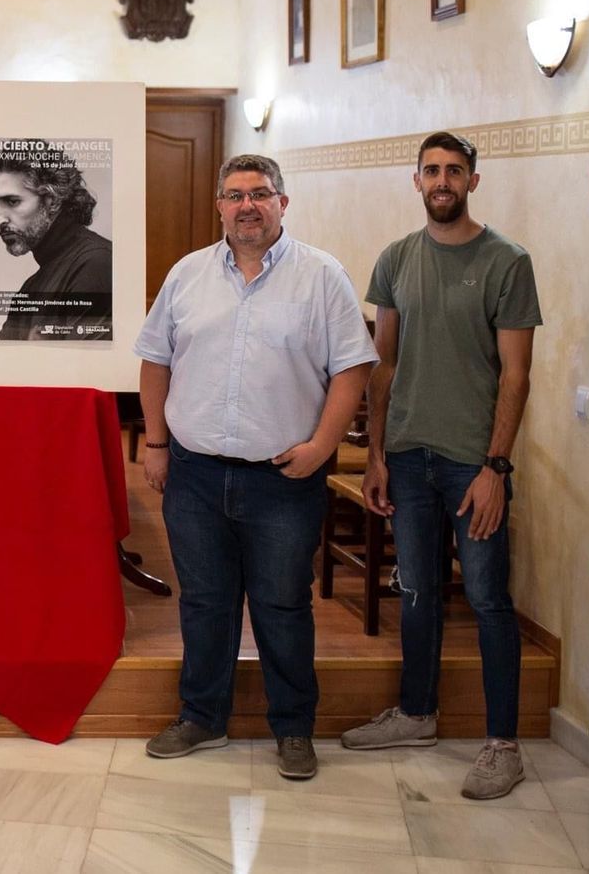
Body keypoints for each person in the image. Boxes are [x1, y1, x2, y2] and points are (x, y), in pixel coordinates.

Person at [135, 154, 377, 781]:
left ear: (283, 203)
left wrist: (323, 447)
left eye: (261, 194)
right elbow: (155, 361)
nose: (248, 205)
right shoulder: (187, 275)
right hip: (193, 473)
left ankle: (294, 728)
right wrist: (155, 442)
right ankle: (202, 717)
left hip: (284, 478)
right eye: (236, 195)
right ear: (218, 205)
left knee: (282, 604)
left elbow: (353, 369)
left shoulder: (323, 277)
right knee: (206, 602)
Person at [340, 132, 541, 801]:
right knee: (419, 591)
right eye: (432, 170)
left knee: (486, 599)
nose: (442, 180)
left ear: (473, 182)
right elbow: (384, 362)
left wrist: (496, 467)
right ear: (417, 180)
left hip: (470, 464)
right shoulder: (396, 258)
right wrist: (375, 454)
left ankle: (502, 745)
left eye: (455, 170)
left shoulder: (508, 261)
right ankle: (417, 715)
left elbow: (516, 376)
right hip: (407, 457)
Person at [0, 143, 113, 340]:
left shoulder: (96, 263)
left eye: (12, 201)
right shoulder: (31, 287)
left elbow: (84, 365)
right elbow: (0, 360)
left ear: (51, 201)